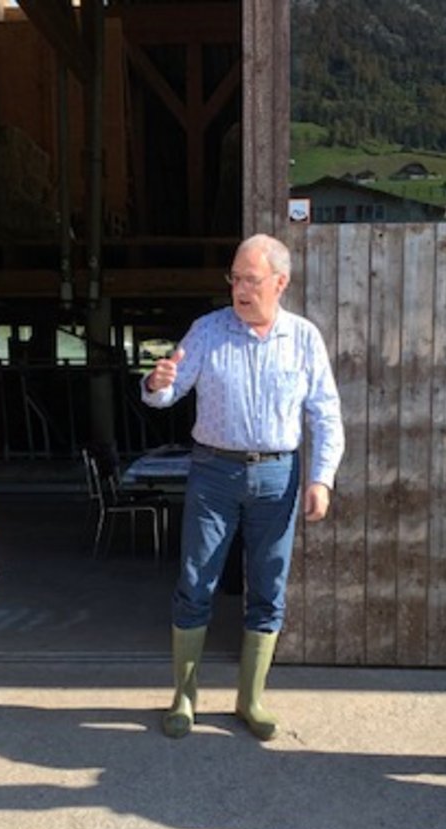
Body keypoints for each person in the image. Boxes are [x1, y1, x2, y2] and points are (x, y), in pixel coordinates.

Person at [142, 233, 344, 739]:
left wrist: (321, 478)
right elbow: (167, 394)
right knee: (195, 580)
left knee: (268, 585)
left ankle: (250, 701)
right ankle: (183, 699)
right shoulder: (207, 331)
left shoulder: (303, 338)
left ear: (280, 282)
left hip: (278, 474)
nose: (240, 289)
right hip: (213, 471)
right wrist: (156, 382)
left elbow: (325, 413)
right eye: (234, 278)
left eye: (250, 279)